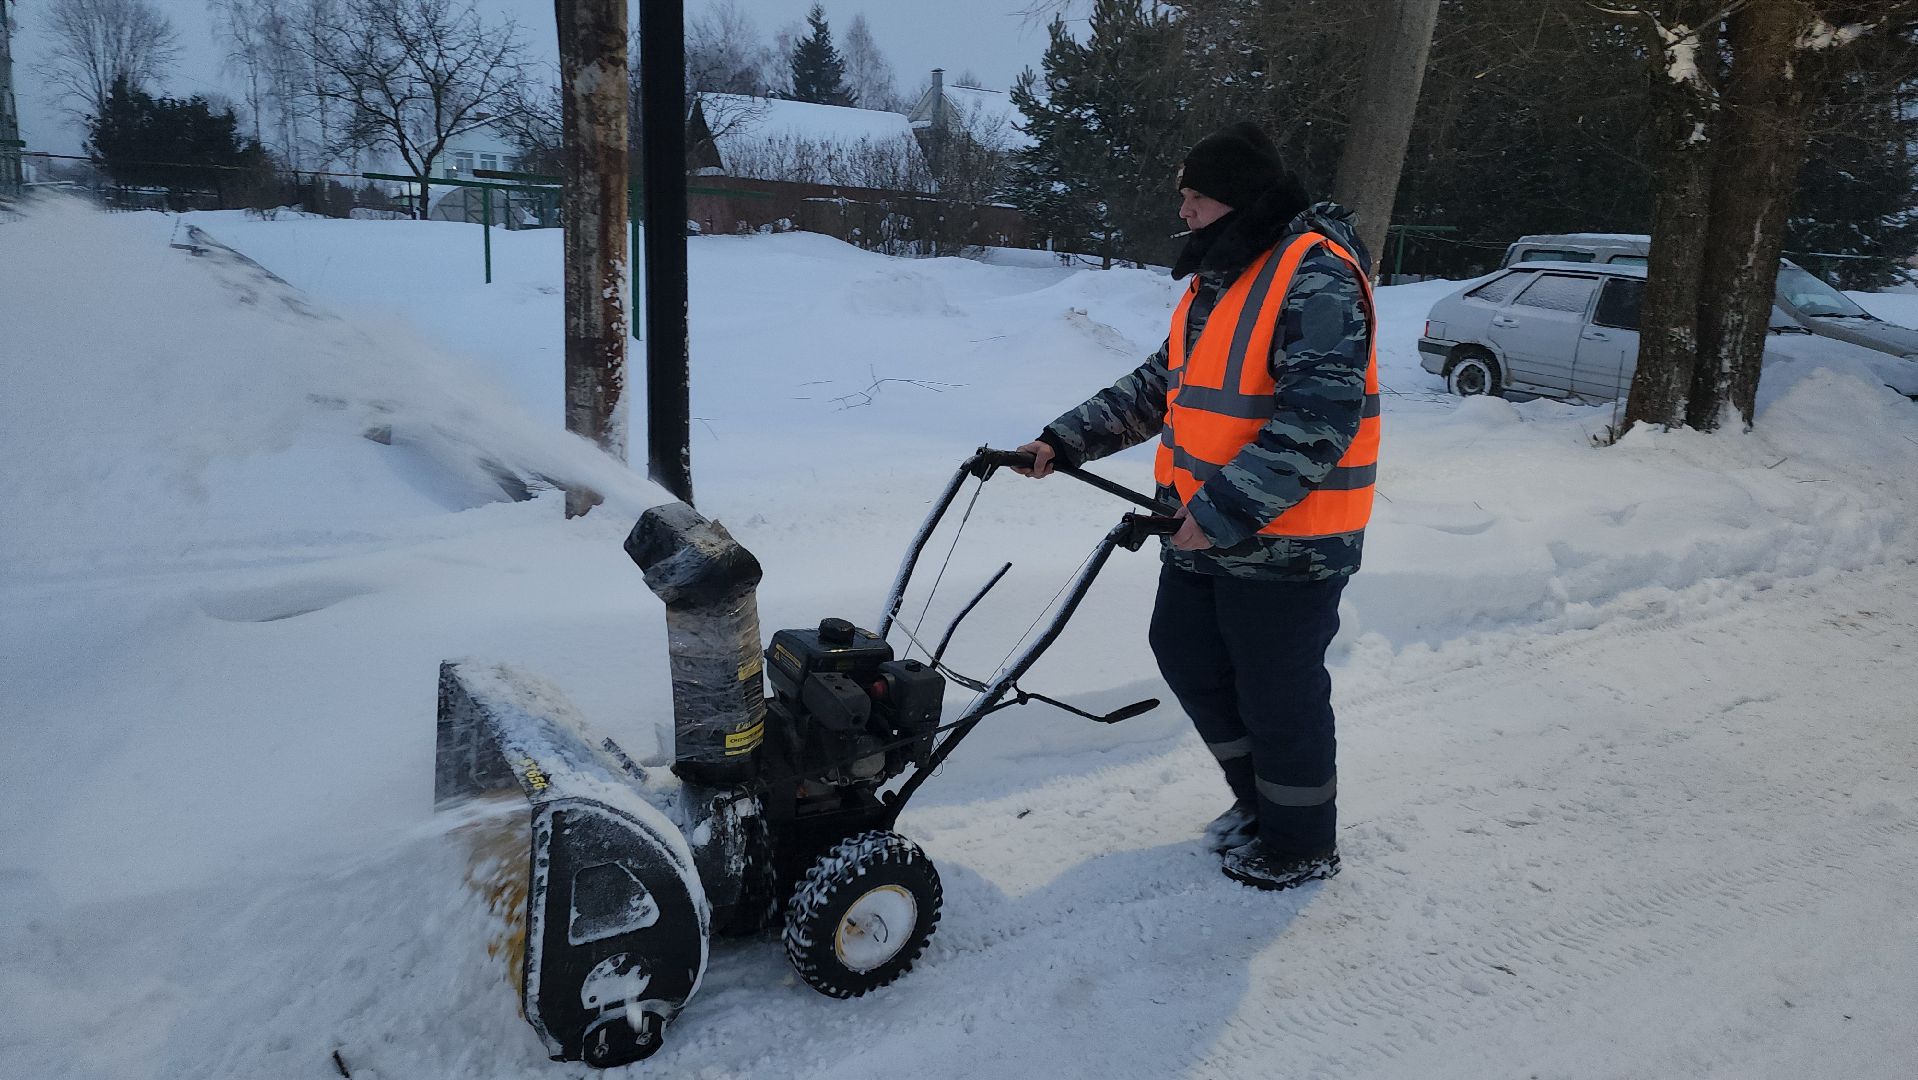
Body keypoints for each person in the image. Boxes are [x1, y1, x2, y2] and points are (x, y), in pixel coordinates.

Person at [1014, 121, 1378, 892]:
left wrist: (1220, 511)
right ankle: (1261, 805)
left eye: (1196, 197)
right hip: (1202, 529)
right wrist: (1063, 441)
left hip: (1288, 542)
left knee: (1277, 695)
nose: (1183, 212)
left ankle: (1302, 841)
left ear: (1237, 201)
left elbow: (1319, 418)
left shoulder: (1316, 275)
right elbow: (1159, 387)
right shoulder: (1221, 282)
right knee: (1185, 652)